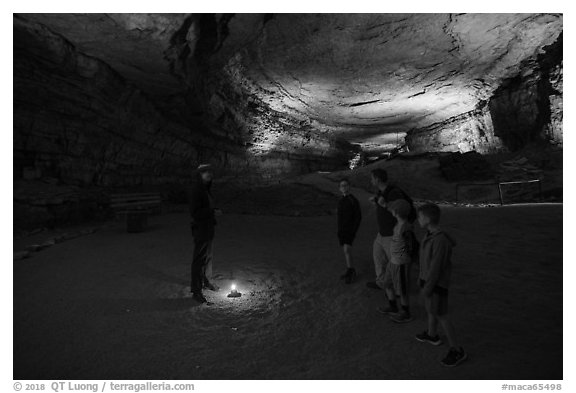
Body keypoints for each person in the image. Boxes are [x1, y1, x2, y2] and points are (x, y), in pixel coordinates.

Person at [415, 203, 467, 367]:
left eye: (420, 216)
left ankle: (457, 350)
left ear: (428, 219)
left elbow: (436, 268)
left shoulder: (440, 241)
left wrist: (427, 288)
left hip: (437, 284)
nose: (418, 219)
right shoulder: (429, 234)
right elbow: (425, 262)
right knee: (432, 310)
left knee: (441, 314)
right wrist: (421, 279)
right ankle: (432, 335)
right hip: (429, 281)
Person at [366, 168, 414, 290]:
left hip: (392, 234)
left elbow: (401, 209)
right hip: (382, 233)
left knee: (396, 262)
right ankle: (382, 283)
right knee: (379, 258)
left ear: (377, 179)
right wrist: (377, 201)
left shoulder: (393, 193)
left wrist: (384, 205)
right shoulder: (381, 192)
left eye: (372, 178)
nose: (371, 180)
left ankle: (400, 288)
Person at [378, 199, 417, 323]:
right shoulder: (400, 223)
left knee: (402, 290)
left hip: (400, 263)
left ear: (396, 212)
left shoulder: (405, 228)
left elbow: (410, 246)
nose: (391, 211)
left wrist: (405, 259)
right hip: (393, 261)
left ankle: (406, 312)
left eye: (393, 209)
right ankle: (393, 306)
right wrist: (385, 205)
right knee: (387, 283)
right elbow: (392, 209)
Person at [188, 164, 222, 304]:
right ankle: (196, 290)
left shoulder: (205, 189)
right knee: (199, 259)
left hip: (208, 228)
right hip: (201, 228)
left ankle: (206, 281)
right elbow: (195, 213)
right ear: (199, 175)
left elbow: (206, 207)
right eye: (205, 172)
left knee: (208, 257)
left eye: (210, 171)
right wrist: (212, 212)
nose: (209, 174)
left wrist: (213, 212)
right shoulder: (196, 190)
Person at [336, 179, 362, 284]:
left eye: (345, 185)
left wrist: (353, 230)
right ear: (339, 188)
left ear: (349, 187)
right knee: (346, 251)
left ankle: (351, 271)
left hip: (349, 230)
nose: (344, 187)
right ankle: (349, 269)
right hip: (342, 230)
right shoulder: (341, 200)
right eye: (342, 186)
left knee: (347, 249)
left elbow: (358, 217)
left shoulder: (353, 200)